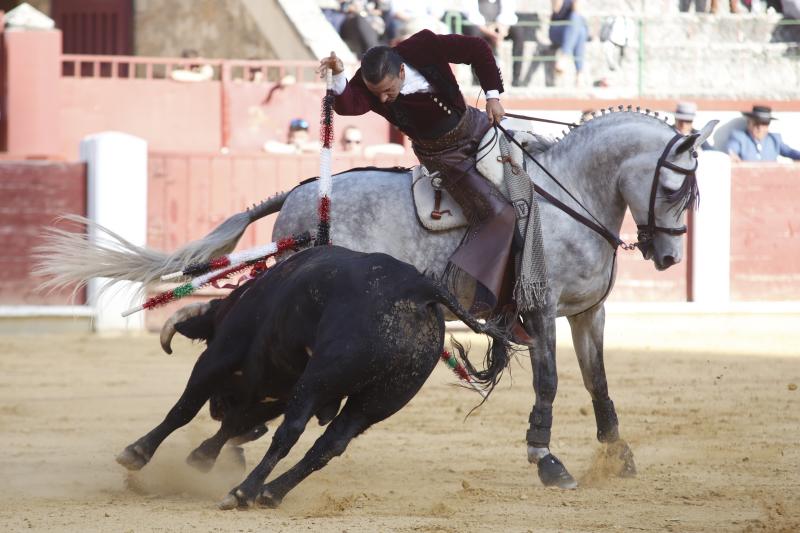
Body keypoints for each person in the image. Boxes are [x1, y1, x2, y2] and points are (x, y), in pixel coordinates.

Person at [317, 31, 528, 339]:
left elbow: (476, 48)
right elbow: (348, 104)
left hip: (475, 125)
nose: (384, 100)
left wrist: (493, 95)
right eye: (378, 95)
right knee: (500, 215)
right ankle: (502, 312)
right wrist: (338, 77)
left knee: (535, 175)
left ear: (401, 70)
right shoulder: (368, 85)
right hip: (444, 157)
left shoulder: (424, 46)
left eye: (388, 90)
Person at [726, 105, 800, 162]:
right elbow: (731, 150)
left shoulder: (774, 139)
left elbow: (790, 152)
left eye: (764, 124)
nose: (760, 128)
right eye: (756, 123)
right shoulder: (739, 137)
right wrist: (732, 155)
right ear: (749, 123)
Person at [549, 0, 589, 85]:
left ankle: (565, 55)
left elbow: (577, 11)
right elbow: (556, 9)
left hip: (573, 31)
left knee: (580, 28)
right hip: (557, 30)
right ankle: (579, 72)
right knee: (580, 31)